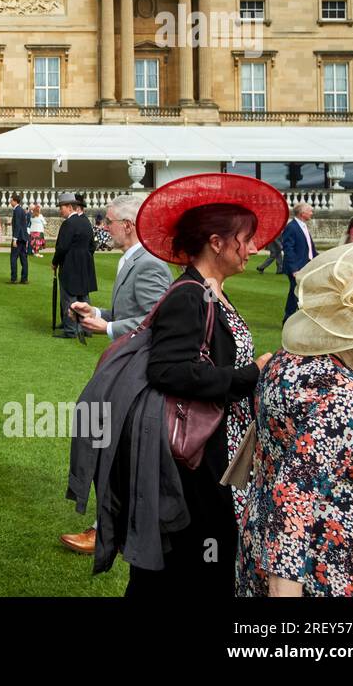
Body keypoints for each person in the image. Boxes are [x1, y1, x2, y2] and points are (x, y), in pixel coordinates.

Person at [121, 172, 287, 595]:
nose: (253, 248)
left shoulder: (209, 291)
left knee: (197, 563)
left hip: (215, 449)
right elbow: (169, 371)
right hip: (195, 458)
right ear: (217, 242)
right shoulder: (189, 295)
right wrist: (253, 372)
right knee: (189, 564)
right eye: (245, 240)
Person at [238, 239, 353, 597]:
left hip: (263, 543)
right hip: (322, 570)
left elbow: (300, 450)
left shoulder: (287, 362)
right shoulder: (339, 391)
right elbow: (295, 495)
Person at [60, 192, 174, 554]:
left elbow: (156, 321)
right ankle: (111, 523)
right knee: (107, 439)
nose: (103, 227)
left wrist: (107, 329)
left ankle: (106, 529)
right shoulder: (132, 259)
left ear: (128, 225)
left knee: (112, 442)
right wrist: (98, 312)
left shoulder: (151, 263)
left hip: (138, 371)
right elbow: (131, 309)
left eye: (108, 221)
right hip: (127, 364)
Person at [51, 192, 97, 338]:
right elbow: (92, 245)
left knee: (69, 297)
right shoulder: (85, 222)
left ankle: (70, 329)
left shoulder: (69, 223)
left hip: (71, 264)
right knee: (83, 296)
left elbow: (62, 247)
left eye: (62, 207)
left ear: (70, 207)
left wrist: (55, 262)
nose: (60, 210)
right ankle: (87, 328)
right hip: (85, 263)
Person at [281, 201, 318, 322]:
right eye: (310, 211)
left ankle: (299, 316)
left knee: (301, 292)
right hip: (297, 268)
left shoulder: (303, 226)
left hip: (306, 265)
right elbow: (288, 249)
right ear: (303, 213)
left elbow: (309, 247)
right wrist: (294, 269)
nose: (312, 213)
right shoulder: (292, 227)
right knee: (295, 292)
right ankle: (288, 318)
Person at [8, 195, 30, 284]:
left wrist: (14, 239)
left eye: (11, 200)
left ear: (15, 201)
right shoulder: (20, 210)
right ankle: (24, 278)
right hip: (23, 237)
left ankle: (14, 278)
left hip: (19, 238)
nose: (10, 202)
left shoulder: (17, 210)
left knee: (13, 258)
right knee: (23, 259)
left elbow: (17, 225)